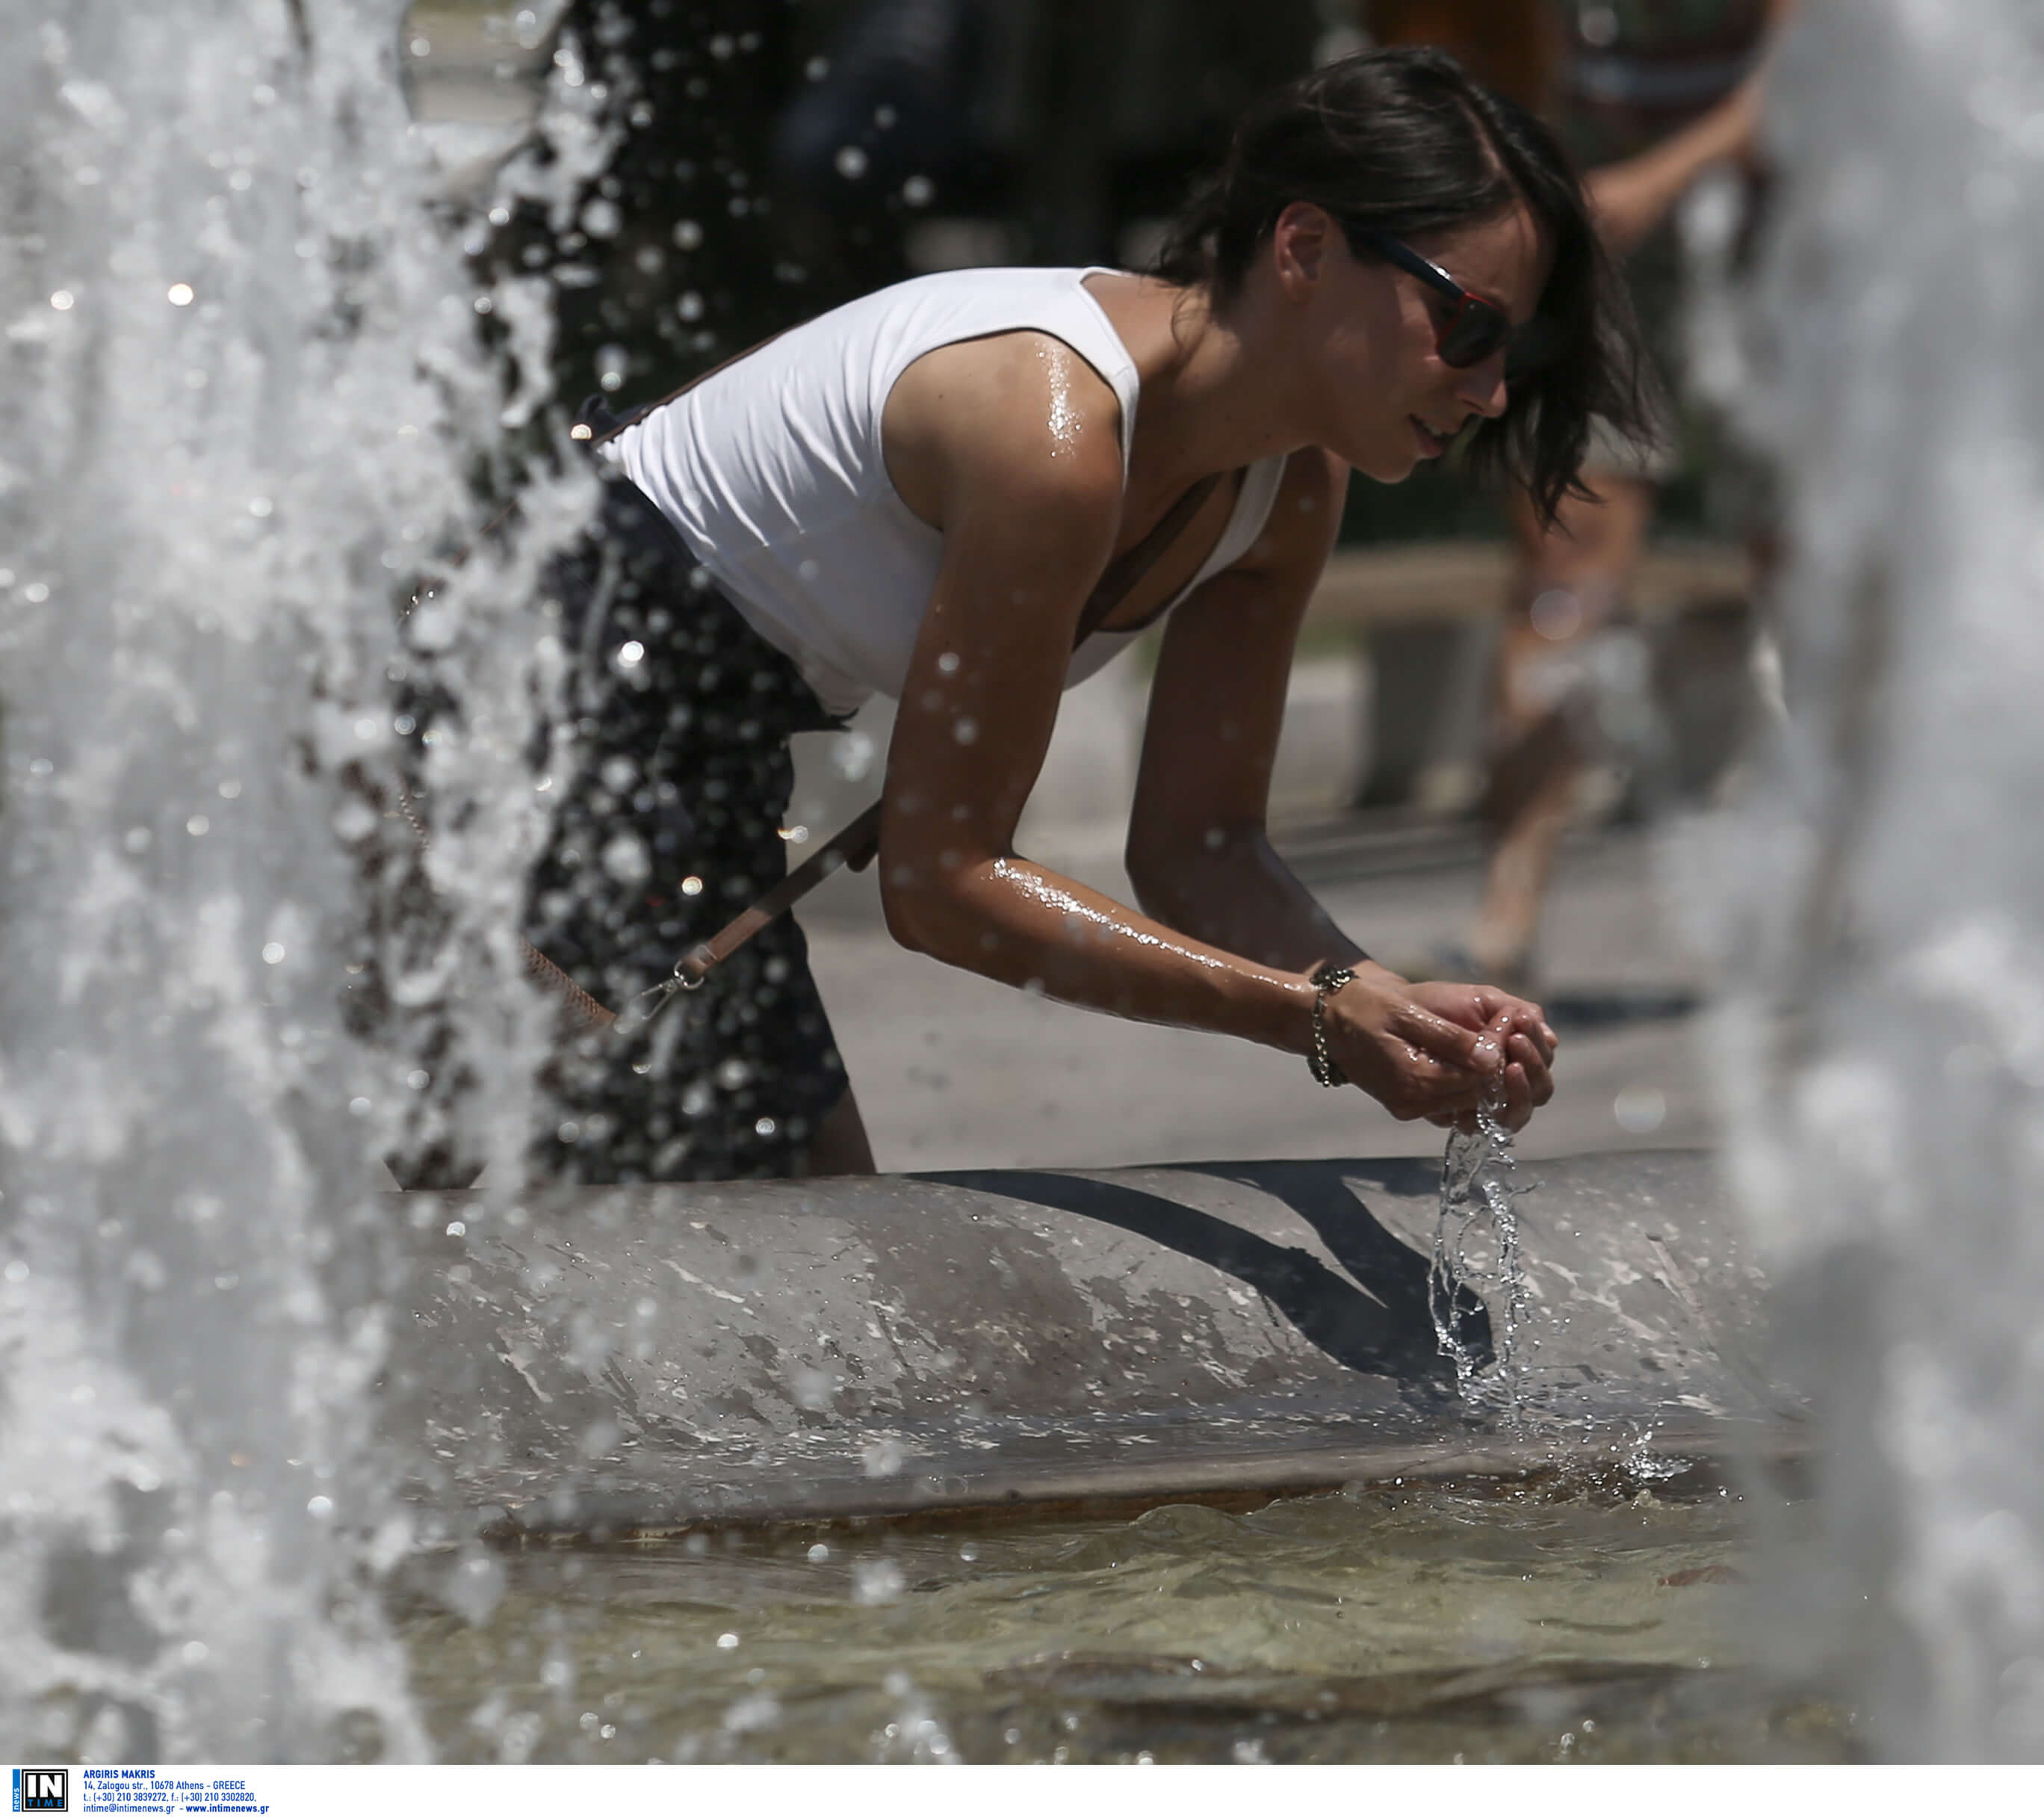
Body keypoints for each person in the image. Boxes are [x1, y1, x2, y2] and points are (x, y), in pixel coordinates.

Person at [521, 46, 1653, 1184]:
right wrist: (1312, 1018)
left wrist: (1388, 1006)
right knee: (721, 1270)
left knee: (808, 1274)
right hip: (533, 707)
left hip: (687, 773)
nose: (1491, 388)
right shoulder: (1051, 431)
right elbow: (942, 884)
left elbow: (1199, 847)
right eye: (1467, 326)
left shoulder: (1293, 484)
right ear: (1304, 248)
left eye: (1518, 347)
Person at [1455, 1, 1788, 992]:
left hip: (1767, 240)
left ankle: (1856, 900)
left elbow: (1808, 77)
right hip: (1608, 237)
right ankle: (1504, 914)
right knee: (1562, 573)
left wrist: (1655, 179)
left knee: (1805, 573)